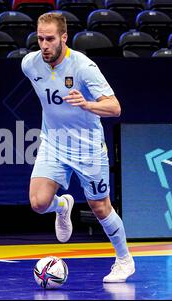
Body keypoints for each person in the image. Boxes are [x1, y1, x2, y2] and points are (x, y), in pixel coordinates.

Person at [21, 13, 135, 283]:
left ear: (63, 37)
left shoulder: (84, 67)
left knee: (100, 206)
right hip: (53, 143)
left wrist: (87, 104)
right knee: (38, 203)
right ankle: (63, 205)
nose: (44, 45)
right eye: (40, 39)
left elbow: (115, 107)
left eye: (50, 39)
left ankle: (124, 260)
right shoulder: (29, 64)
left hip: (87, 147)